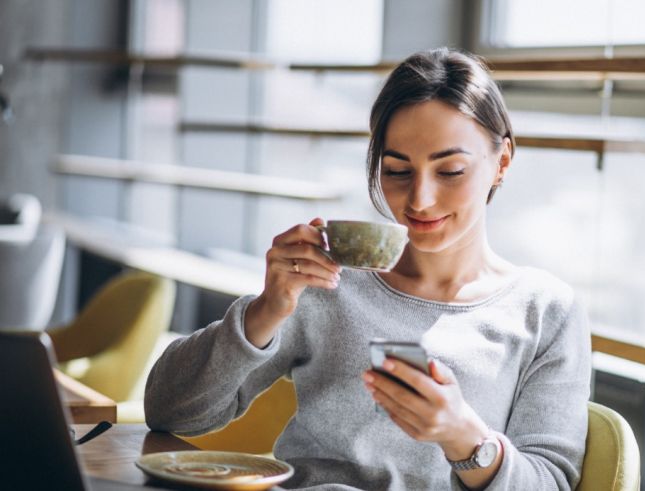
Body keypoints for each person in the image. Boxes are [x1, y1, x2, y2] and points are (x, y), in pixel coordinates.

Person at [145, 47, 591, 490]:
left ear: (502, 162)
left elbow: (549, 483)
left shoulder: (546, 312)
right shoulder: (329, 282)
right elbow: (168, 411)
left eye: (450, 171)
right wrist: (265, 310)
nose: (420, 200)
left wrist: (463, 436)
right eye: (398, 171)